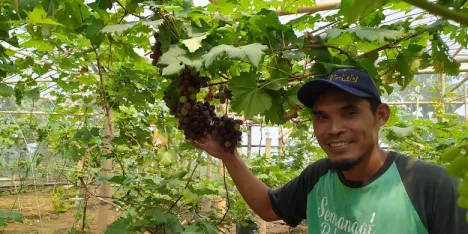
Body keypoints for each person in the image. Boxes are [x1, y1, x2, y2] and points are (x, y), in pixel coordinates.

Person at [190, 68, 468, 233]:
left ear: (381, 116)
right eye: (322, 116)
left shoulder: (430, 185)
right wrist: (229, 156)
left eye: (349, 113)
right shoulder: (319, 176)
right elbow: (269, 208)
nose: (334, 128)